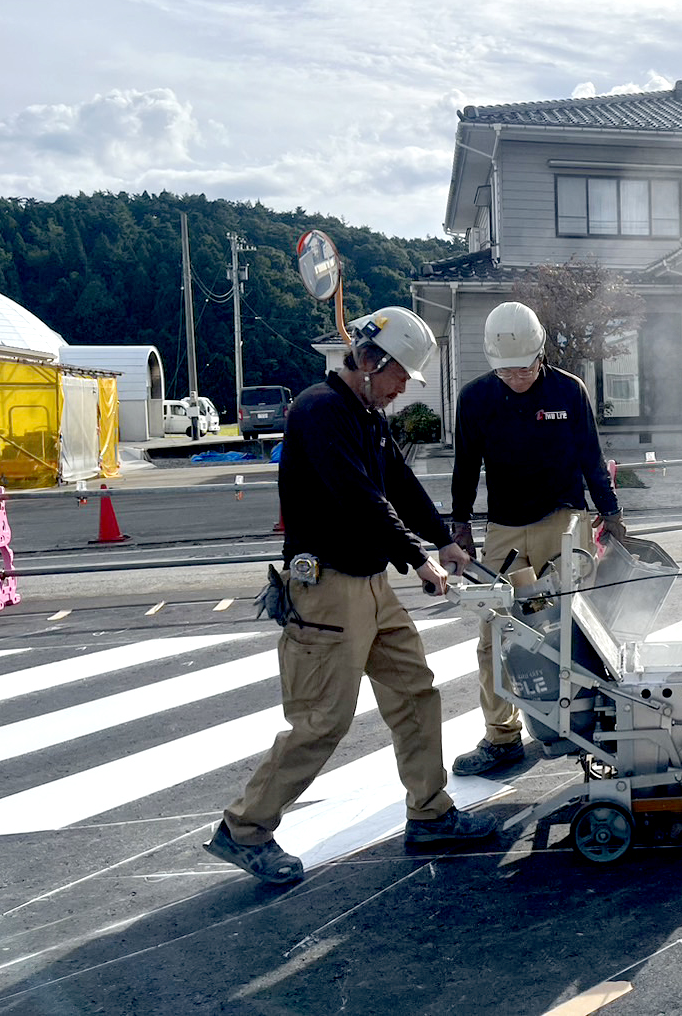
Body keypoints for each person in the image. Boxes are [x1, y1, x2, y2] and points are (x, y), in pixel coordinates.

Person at [205, 306, 494, 884]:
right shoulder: (318, 412)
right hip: (327, 592)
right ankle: (244, 829)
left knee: (415, 689)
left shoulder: (364, 414)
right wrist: (418, 559)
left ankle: (430, 812)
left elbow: (400, 485)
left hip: (371, 585)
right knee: (322, 722)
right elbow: (361, 498)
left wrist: (446, 540)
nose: (403, 388)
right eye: (399, 376)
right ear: (370, 362)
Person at [448, 301, 625, 776]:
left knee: (574, 626)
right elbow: (465, 467)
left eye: (525, 368)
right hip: (504, 525)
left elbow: (592, 456)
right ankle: (501, 736)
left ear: (541, 354)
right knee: (494, 634)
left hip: (564, 519)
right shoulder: (475, 399)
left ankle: (584, 724)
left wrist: (611, 511)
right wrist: (459, 523)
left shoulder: (569, 391)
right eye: (506, 371)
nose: (517, 378)